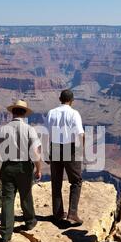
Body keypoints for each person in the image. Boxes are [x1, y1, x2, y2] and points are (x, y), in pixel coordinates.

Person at [0, 100, 42, 242]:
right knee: (26, 194)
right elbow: (35, 152)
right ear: (25, 114)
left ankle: (5, 234)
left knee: (7, 199)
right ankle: (30, 222)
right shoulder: (29, 129)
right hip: (24, 167)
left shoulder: (2, 129)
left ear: (12, 112)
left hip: (7, 167)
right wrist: (38, 169)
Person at [45, 89, 85, 226]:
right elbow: (81, 134)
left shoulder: (51, 113)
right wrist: (80, 150)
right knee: (76, 181)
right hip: (70, 147)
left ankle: (58, 214)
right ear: (72, 101)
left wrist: (46, 153)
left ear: (59, 99)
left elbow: (46, 134)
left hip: (55, 147)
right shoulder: (74, 113)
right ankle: (72, 214)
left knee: (56, 182)